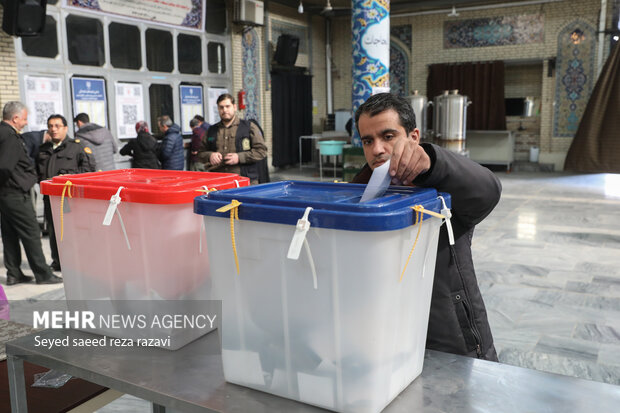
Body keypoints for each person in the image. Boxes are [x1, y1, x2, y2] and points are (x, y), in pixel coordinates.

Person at [352, 93, 501, 361]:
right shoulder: (359, 193)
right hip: (388, 340)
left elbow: (487, 191)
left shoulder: (445, 187)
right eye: (367, 141)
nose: (377, 149)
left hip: (450, 337)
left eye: (388, 136)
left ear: (413, 137)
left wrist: (434, 163)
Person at [0, 101, 62, 285]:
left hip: (6, 194)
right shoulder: (10, 136)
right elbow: (4, 167)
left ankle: (14, 273)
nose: (26, 123)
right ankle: (43, 274)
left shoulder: (2, 133)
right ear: (15, 118)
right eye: (24, 119)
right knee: (31, 232)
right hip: (15, 193)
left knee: (10, 233)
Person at [37, 114, 96, 272]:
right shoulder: (44, 149)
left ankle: (76, 262)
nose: (53, 129)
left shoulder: (76, 147)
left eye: (57, 126)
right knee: (53, 230)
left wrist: (70, 179)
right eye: (50, 126)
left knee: (72, 231)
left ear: (65, 128)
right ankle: (58, 261)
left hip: (71, 199)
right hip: (50, 198)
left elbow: (89, 171)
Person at [196, 93, 267, 184]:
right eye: (221, 107)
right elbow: (200, 154)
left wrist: (239, 157)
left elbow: (261, 151)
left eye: (227, 106)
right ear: (218, 109)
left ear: (234, 107)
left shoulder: (249, 127)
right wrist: (210, 155)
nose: (224, 110)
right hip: (218, 182)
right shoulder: (211, 130)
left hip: (245, 182)